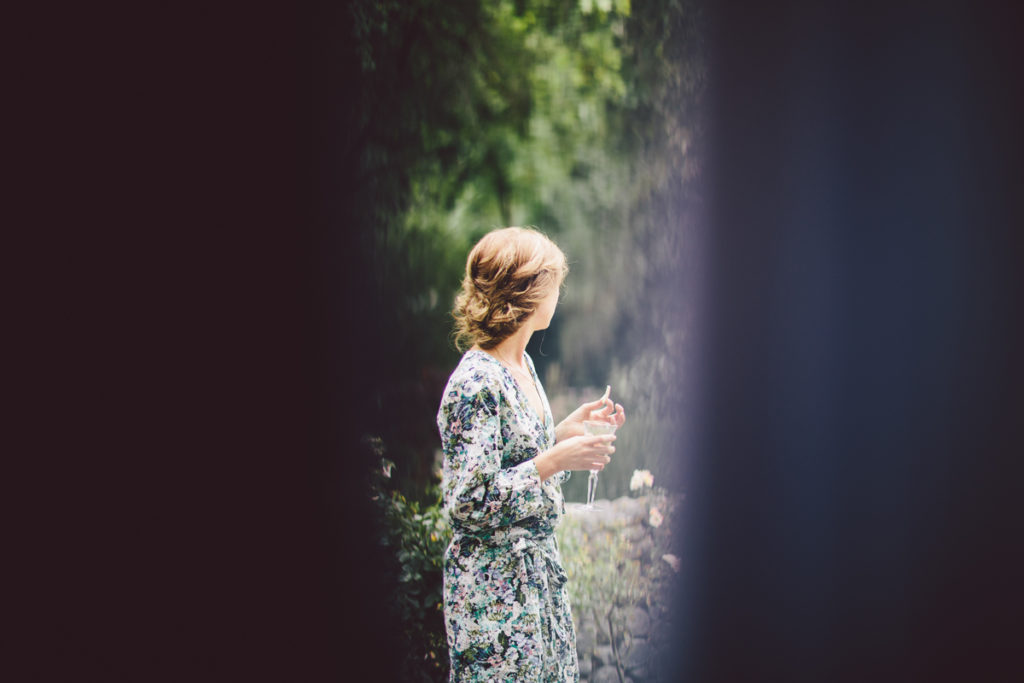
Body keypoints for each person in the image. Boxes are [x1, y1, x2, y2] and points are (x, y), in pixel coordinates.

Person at [437, 227, 626, 682]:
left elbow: (515, 458)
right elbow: (468, 503)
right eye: (553, 281)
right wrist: (557, 458)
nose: (559, 292)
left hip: (538, 583)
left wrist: (563, 432)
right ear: (525, 291)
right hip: (494, 600)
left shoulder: (521, 365)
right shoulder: (475, 382)